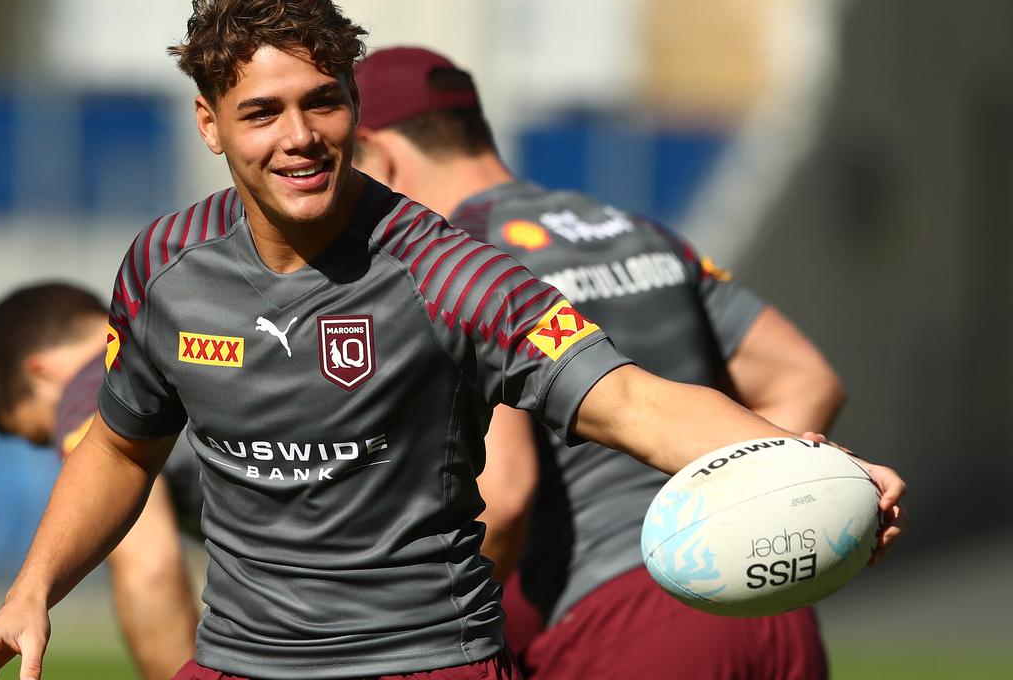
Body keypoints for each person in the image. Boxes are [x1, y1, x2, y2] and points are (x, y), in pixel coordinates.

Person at [0, 0, 906, 680]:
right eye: (263, 113)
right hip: (239, 663)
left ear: (355, 108)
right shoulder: (162, 268)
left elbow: (637, 404)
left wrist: (814, 471)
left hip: (421, 662)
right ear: (210, 124)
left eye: (323, 102)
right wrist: (31, 591)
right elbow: (122, 450)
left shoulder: (451, 270)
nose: (299, 136)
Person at [351, 45, 869, 678]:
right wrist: (734, 514)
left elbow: (503, 497)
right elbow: (804, 378)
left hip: (624, 621)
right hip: (768, 607)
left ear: (378, 154)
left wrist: (391, 639)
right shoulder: (633, 228)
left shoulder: (459, 266)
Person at [0, 281, 202, 680]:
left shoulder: (90, 392)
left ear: (41, 374)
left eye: (44, 434)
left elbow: (148, 566)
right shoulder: (191, 330)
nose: (62, 449)